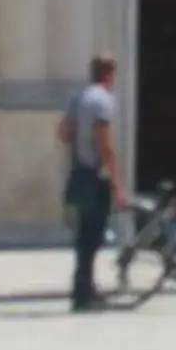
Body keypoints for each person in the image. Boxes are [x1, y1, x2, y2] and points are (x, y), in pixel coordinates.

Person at [59, 53, 122, 312]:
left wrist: (78, 149)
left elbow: (63, 131)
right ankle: (85, 294)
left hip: (80, 171)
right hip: (96, 175)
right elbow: (104, 141)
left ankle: (82, 288)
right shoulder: (102, 100)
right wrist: (117, 180)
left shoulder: (80, 97)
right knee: (93, 236)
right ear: (109, 74)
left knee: (83, 235)